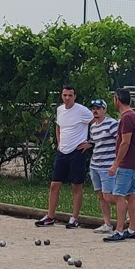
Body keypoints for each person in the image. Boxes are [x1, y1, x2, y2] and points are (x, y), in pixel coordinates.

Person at [35, 85, 94, 229]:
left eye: (70, 95)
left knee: (76, 186)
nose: (67, 98)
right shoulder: (60, 110)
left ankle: (74, 218)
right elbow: (58, 126)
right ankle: (50, 216)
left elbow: (96, 122)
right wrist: (59, 142)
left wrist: (91, 142)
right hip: (63, 152)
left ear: (75, 96)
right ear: (61, 96)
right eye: (65, 95)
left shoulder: (82, 111)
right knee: (55, 185)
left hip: (77, 152)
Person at [103, 87, 135, 242]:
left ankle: (119, 230)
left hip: (127, 163)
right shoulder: (134, 115)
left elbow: (125, 142)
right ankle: (132, 228)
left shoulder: (126, 118)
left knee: (118, 195)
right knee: (131, 195)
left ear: (117, 99)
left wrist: (115, 164)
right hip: (134, 162)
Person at [86, 99, 121, 233]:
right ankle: (107, 223)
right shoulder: (93, 127)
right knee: (101, 196)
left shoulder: (112, 124)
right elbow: (95, 143)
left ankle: (128, 208)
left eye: (98, 108)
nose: (95, 110)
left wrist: (116, 162)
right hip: (95, 165)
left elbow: (120, 141)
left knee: (109, 196)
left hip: (107, 165)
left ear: (104, 110)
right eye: (93, 108)